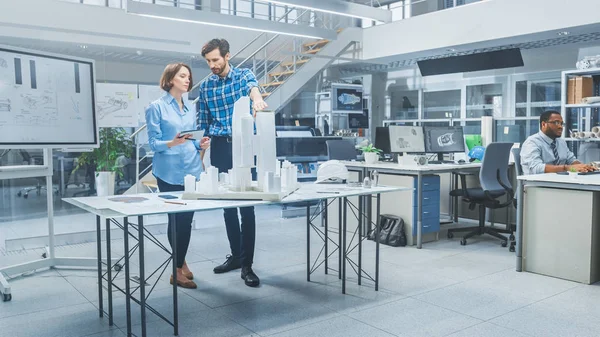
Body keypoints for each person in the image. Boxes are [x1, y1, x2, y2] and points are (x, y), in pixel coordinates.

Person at [198, 38, 268, 287]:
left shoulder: (242, 76)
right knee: (227, 205)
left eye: (215, 60)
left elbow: (252, 88)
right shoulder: (206, 86)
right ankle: (236, 257)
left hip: (243, 145)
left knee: (246, 205)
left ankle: (247, 264)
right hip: (218, 146)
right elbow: (203, 123)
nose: (212, 65)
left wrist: (257, 100)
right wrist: (201, 157)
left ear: (227, 56)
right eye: (208, 61)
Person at [146, 63, 210, 289]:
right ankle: (176, 270)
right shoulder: (156, 107)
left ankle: (180, 261)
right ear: (171, 79)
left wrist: (200, 144)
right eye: (183, 76)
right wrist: (172, 142)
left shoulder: (190, 107)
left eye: (189, 77)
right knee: (176, 220)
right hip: (169, 172)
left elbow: (191, 140)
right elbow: (152, 143)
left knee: (187, 221)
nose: (188, 80)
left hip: (192, 170)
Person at [520, 110, 594, 175]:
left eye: (561, 124)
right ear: (543, 124)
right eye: (556, 122)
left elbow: (571, 160)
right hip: (536, 186)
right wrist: (568, 168)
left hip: (558, 183)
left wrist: (583, 167)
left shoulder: (561, 142)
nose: (560, 127)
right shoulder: (532, 142)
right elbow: (536, 168)